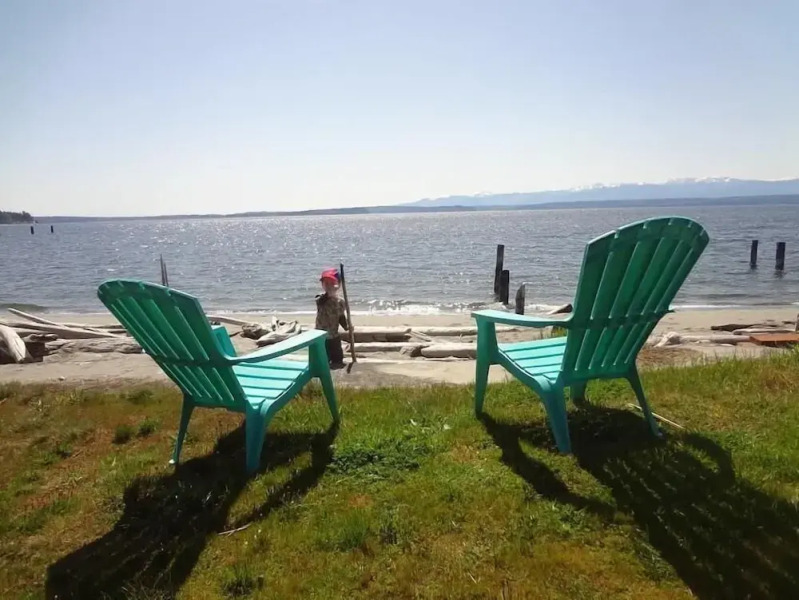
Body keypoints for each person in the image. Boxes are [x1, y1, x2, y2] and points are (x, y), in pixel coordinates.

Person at [315, 268, 349, 369]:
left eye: (331, 283)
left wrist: (346, 327)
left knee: (338, 358)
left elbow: (341, 316)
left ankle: (336, 362)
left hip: (334, 334)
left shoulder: (341, 302)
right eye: (326, 283)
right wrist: (329, 294)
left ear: (338, 284)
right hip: (321, 334)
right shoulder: (320, 298)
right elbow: (321, 302)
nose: (329, 286)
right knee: (323, 357)